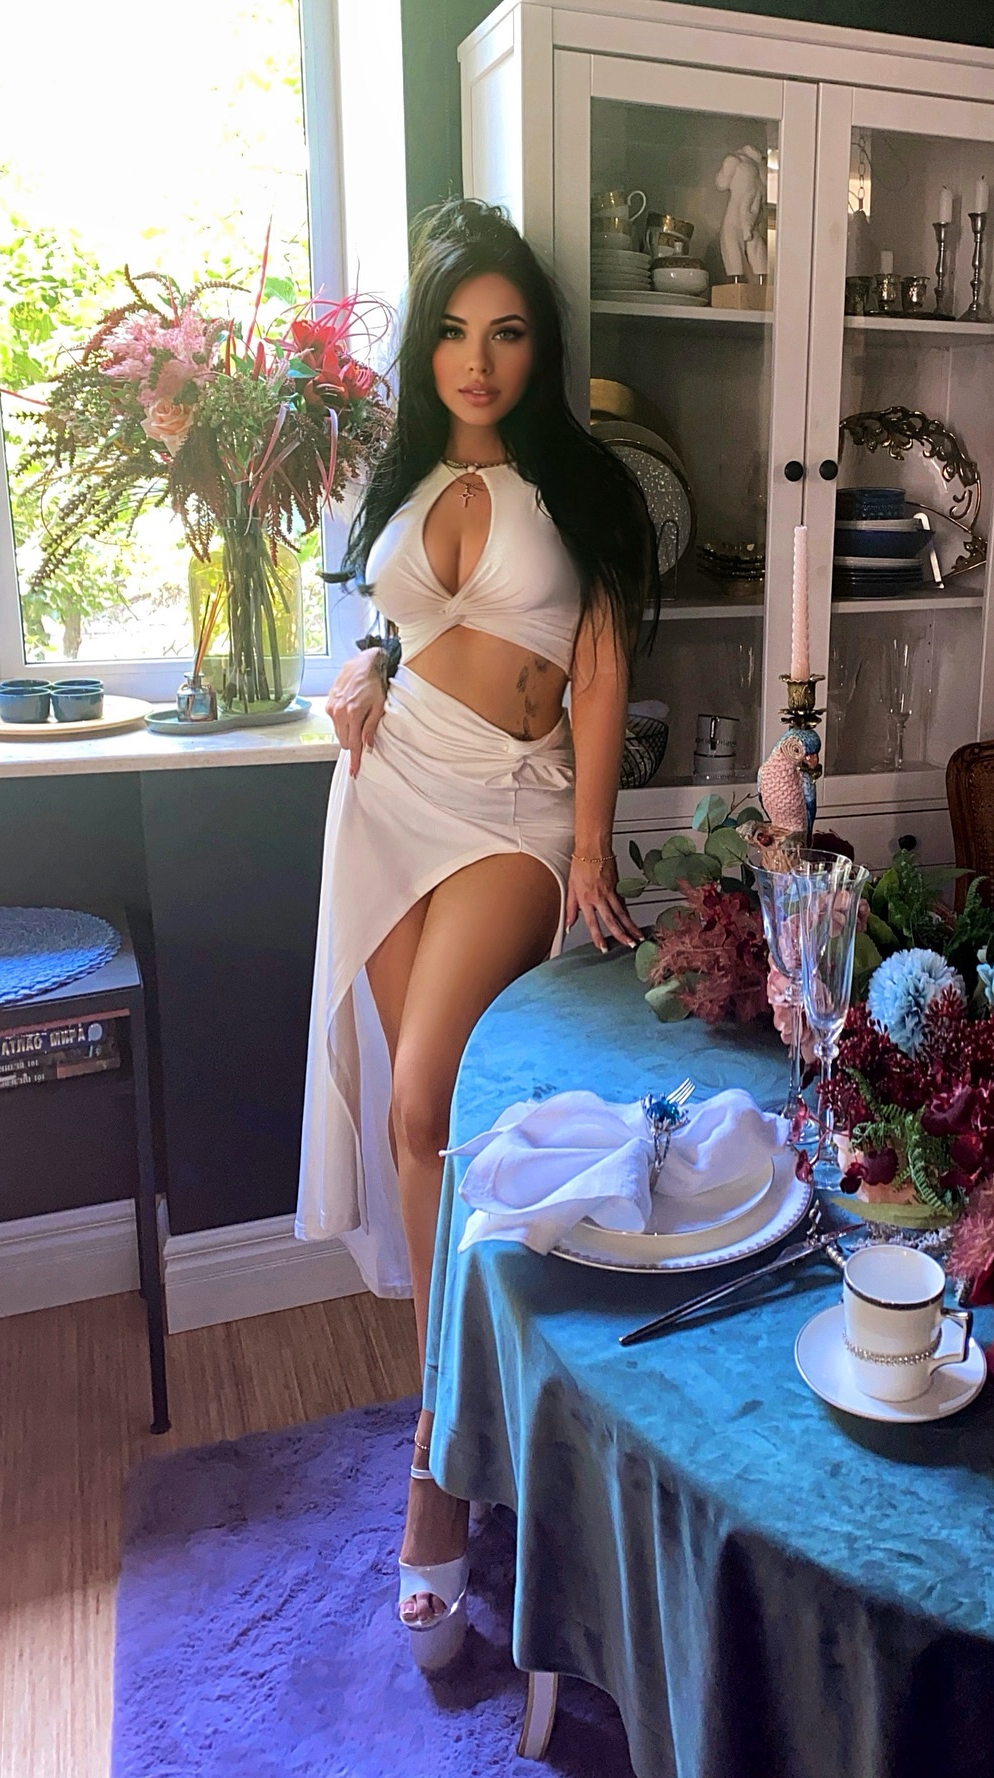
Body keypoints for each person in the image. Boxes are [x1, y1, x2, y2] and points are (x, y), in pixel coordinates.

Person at [295, 199, 653, 1670]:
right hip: (388, 795)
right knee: (417, 1131)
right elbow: (390, 624)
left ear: (538, 347)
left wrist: (589, 845)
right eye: (453, 331)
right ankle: (455, 1412)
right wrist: (363, 670)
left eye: (506, 332)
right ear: (425, 348)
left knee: (429, 1095)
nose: (478, 359)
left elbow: (598, 672)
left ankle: (439, 1467)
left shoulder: (581, 486)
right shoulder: (402, 476)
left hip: (512, 810)